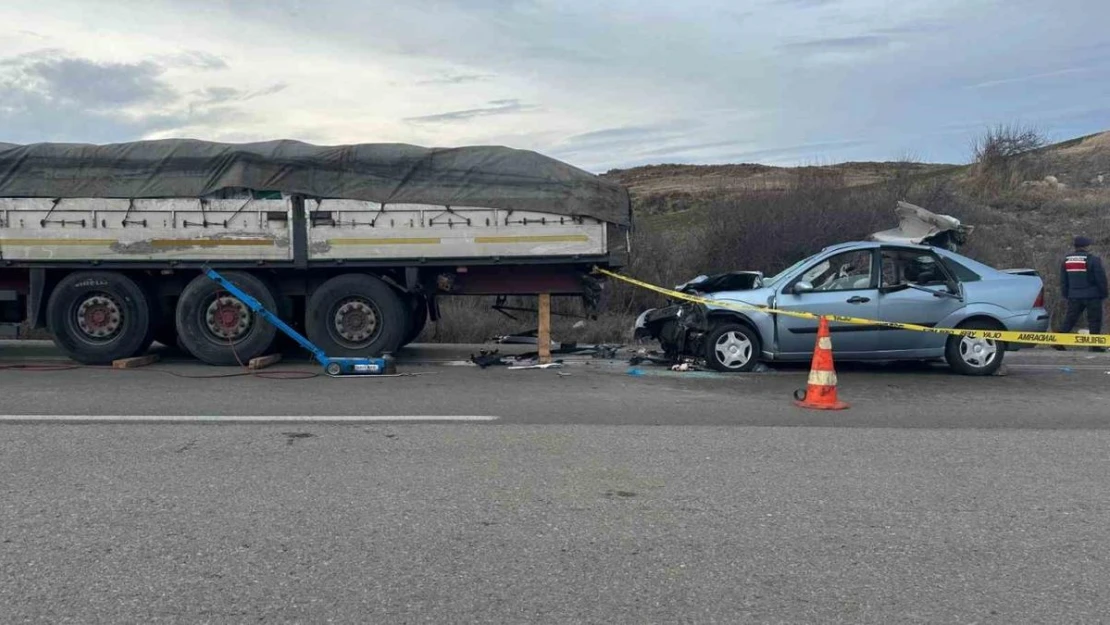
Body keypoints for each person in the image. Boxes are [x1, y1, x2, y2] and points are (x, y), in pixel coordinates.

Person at [1054, 235, 1108, 352]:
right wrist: (1104, 293)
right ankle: (1094, 346)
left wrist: (1066, 294)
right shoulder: (1093, 260)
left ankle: (1058, 341)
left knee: (1070, 319)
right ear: (1086, 246)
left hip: (1074, 295)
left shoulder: (1066, 260)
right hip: (1092, 296)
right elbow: (1100, 279)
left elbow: (1064, 281)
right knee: (1094, 320)